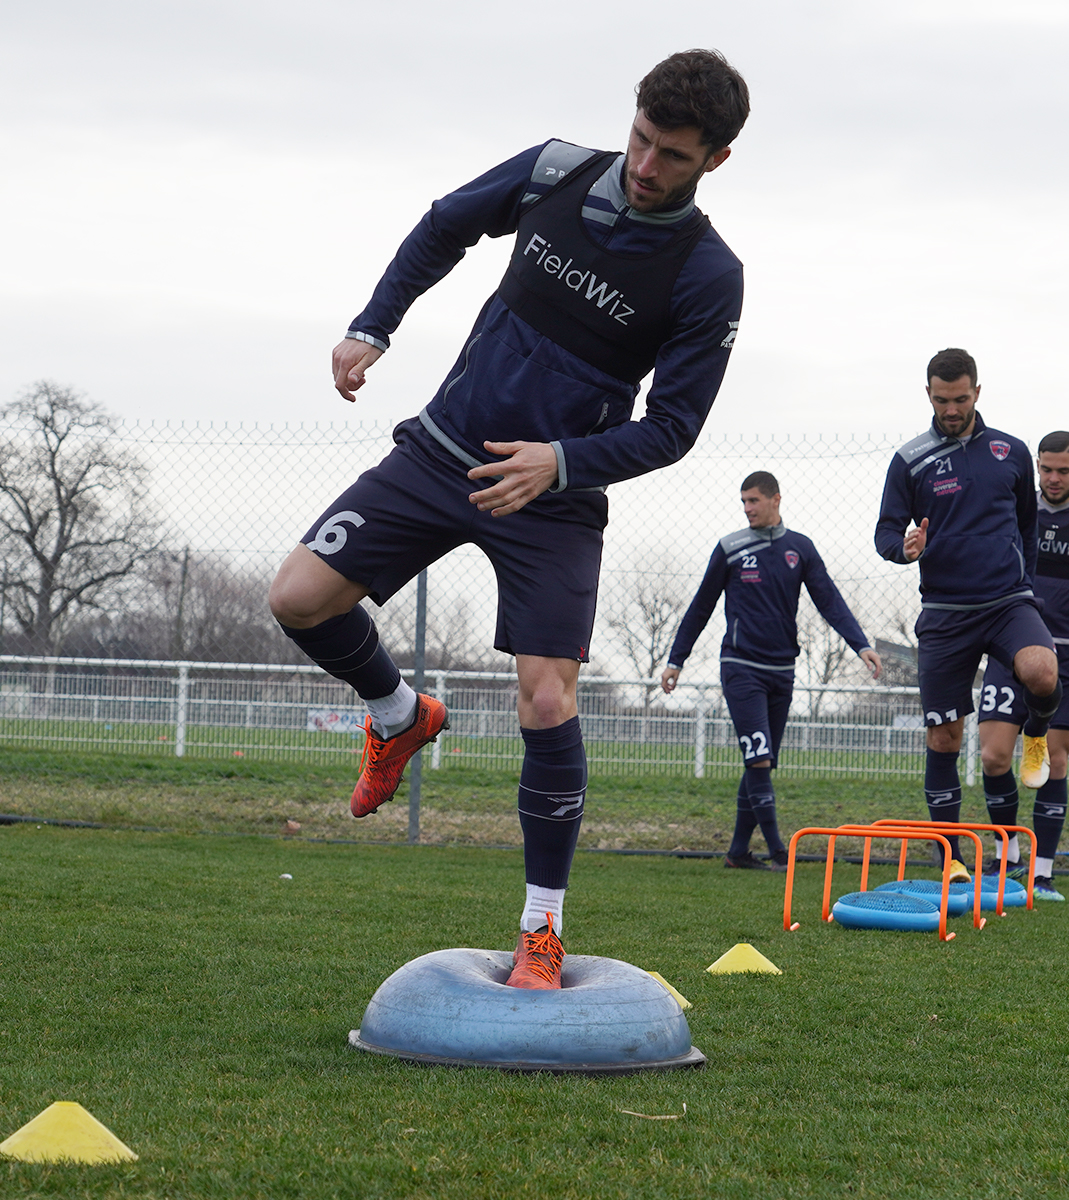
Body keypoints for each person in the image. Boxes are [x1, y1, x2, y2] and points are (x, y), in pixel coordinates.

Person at [266, 50, 749, 989]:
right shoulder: (554, 170)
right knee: (297, 597)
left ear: (714, 162)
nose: (647, 166)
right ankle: (399, 717)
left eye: (674, 157)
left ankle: (540, 930)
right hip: (439, 451)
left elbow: (676, 427)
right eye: (643, 139)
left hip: (553, 502)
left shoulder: (707, 274)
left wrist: (559, 463)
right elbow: (445, 223)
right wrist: (375, 324)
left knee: (546, 699)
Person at [874, 348, 1061, 882]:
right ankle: (951, 859)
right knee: (945, 739)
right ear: (927, 395)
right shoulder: (910, 459)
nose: (951, 409)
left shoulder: (1012, 452)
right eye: (940, 400)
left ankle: (1036, 733)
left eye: (959, 399)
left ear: (977, 392)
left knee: (1042, 672)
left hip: (1008, 602)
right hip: (945, 612)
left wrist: (1024, 581)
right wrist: (903, 548)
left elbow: (1026, 523)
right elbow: (885, 532)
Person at [660, 472, 883, 870]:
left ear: (775, 499)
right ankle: (781, 852)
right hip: (741, 666)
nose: (746, 509)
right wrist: (677, 658)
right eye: (742, 502)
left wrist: (861, 645)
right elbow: (701, 606)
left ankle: (737, 853)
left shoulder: (801, 549)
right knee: (759, 758)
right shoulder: (729, 548)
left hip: (783, 669)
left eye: (753, 501)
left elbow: (829, 600)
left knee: (759, 760)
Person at [977, 431, 1069, 901]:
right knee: (995, 757)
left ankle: (1042, 874)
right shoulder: (1016, 513)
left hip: (1064, 654)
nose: (1053, 478)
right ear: (1036, 467)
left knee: (1054, 762)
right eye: (1045, 469)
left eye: (1063, 470)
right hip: (1008, 648)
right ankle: (1008, 858)